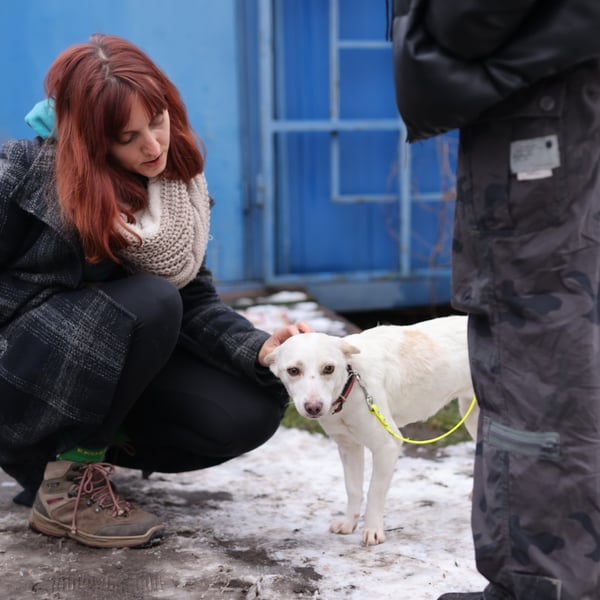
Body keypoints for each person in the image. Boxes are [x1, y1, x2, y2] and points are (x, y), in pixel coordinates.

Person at [0, 33, 310, 550]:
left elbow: (194, 300)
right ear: (90, 139)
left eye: (158, 121)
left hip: (92, 376)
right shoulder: (24, 173)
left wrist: (260, 349)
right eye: (128, 137)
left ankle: (61, 464)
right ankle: (65, 485)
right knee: (151, 300)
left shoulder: (175, 188)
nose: (153, 146)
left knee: (245, 412)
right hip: (18, 371)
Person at [391, 2, 600, 599]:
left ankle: (542, 585)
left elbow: (464, 18)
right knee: (566, 344)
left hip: (538, 115)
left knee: (531, 352)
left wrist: (452, 45)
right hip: (561, 99)